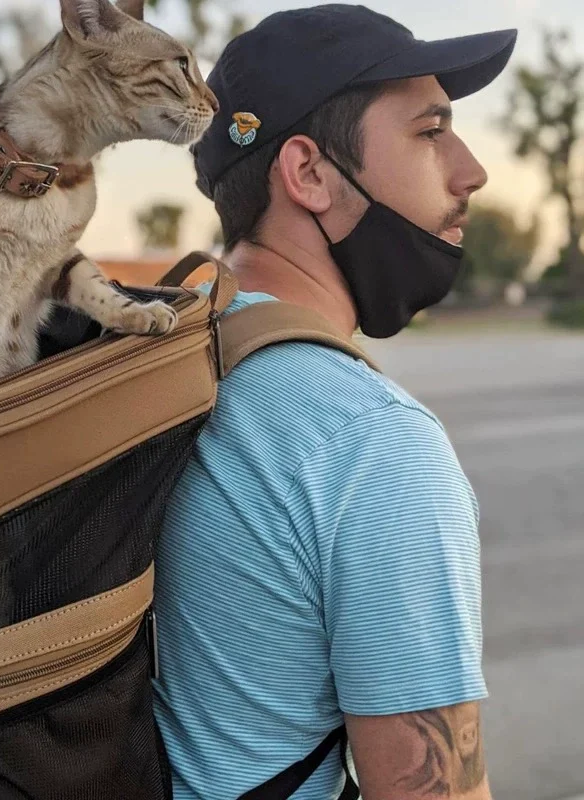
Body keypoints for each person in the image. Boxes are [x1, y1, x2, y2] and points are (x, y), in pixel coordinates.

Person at [152, 5, 517, 799]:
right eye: (431, 132)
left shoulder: (162, 357)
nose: (471, 170)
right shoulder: (370, 444)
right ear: (309, 172)